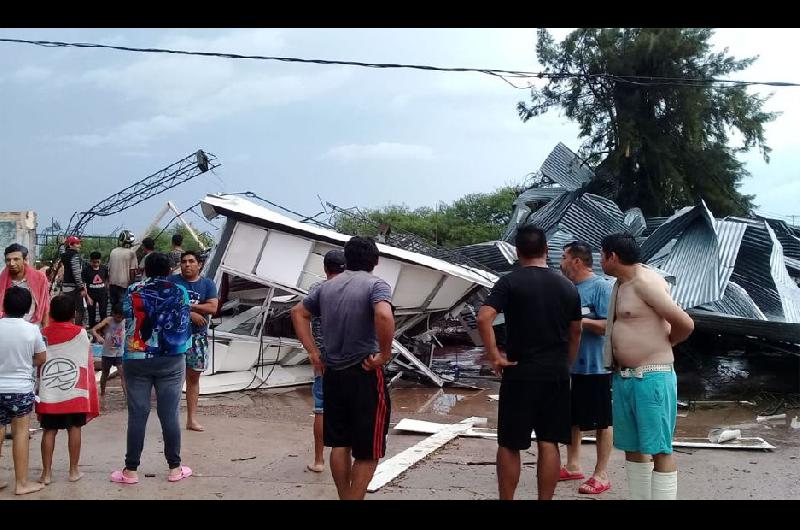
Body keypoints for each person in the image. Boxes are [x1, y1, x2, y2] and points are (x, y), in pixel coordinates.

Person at [477, 224, 582, 500]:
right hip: (555, 373)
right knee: (549, 442)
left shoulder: (509, 282)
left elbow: (484, 317)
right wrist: (566, 363)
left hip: (519, 371)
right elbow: (576, 331)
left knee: (510, 444)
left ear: (517, 252)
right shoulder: (567, 286)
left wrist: (495, 356)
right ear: (547, 250)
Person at [291, 236, 394, 500]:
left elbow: (298, 313)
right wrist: (384, 354)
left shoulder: (327, 287)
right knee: (368, 451)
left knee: (340, 444)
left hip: (333, 373)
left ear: (347, 259)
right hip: (364, 372)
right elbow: (383, 314)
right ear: (376, 261)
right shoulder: (376, 285)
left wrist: (314, 353)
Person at [600, 233, 694, 501]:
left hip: (651, 376)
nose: (600, 260)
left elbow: (685, 323)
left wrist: (664, 345)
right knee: (632, 447)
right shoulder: (622, 284)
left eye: (602, 254)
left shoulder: (645, 283)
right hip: (625, 377)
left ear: (612, 256)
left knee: (659, 449)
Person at [110, 252, 193, 484]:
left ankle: (130, 470)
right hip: (171, 358)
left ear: (145, 269)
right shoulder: (180, 291)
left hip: (137, 357)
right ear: (169, 271)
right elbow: (183, 321)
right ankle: (175, 469)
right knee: (169, 414)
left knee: (138, 413)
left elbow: (125, 313)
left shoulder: (133, 290)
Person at [558, 241, 614, 494]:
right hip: (570, 365)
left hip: (596, 366)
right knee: (571, 418)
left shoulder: (601, 286)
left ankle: (601, 474)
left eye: (563, 257)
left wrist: (580, 323)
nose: (560, 263)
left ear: (577, 261)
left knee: (602, 421)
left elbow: (608, 326)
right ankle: (572, 465)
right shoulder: (568, 289)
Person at [36, 295, 100, 485]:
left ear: (52, 313)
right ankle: (73, 471)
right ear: (73, 314)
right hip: (75, 393)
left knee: (49, 431)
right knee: (74, 428)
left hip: (50, 393)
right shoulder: (81, 334)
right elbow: (86, 364)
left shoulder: (43, 334)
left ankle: (46, 474)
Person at [0, 286, 47, 495]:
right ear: (28, 307)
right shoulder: (32, 330)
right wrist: (26, 363)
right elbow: (41, 358)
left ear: (3, 305)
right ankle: (21, 484)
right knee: (20, 434)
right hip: (20, 390)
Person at [305, 249, 346, 473]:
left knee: (321, 410)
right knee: (347, 410)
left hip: (323, 358)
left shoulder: (317, 290)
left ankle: (319, 460)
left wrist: (313, 351)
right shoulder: (353, 289)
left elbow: (300, 315)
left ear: (325, 268)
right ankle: (344, 457)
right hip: (349, 358)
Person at [169, 251, 218, 432]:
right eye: (184, 262)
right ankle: (171, 419)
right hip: (175, 338)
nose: (187, 265)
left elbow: (213, 307)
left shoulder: (207, 284)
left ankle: (191, 419)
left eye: (191, 261)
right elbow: (166, 305)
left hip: (197, 338)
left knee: (193, 378)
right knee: (173, 379)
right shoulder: (173, 281)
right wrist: (190, 313)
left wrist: (188, 305)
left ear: (199, 265)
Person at [0, 243, 51, 327]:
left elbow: (45, 306)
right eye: (8, 260)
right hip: (8, 327)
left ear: (24, 260)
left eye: (16, 259)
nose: (12, 263)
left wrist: (45, 331)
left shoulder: (39, 278)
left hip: (33, 326)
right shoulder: (1, 280)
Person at [91, 304, 126, 397]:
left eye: (122, 317)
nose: (120, 319)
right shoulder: (108, 320)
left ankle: (127, 398)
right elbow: (93, 329)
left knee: (123, 375)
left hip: (119, 352)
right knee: (105, 374)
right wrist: (98, 336)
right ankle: (102, 393)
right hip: (108, 353)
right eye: (118, 317)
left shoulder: (124, 321)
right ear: (113, 314)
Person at [60, 236, 89, 327]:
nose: (79, 245)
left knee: (68, 308)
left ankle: (68, 327)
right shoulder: (75, 256)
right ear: (70, 245)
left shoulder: (64, 255)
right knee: (79, 309)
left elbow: (61, 251)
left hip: (66, 287)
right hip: (74, 288)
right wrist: (81, 288)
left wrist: (62, 244)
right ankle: (76, 329)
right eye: (77, 243)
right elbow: (76, 274)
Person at [108, 230, 138, 309]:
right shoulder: (131, 253)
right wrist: (132, 284)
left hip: (112, 283)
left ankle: (112, 320)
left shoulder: (113, 251)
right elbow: (132, 271)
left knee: (113, 306)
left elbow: (109, 268)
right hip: (124, 285)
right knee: (122, 307)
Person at [82, 251, 110, 329]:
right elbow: (83, 284)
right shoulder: (86, 270)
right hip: (91, 296)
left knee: (103, 313)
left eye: (98, 262)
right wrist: (87, 297)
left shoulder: (104, 268)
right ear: (90, 261)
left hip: (102, 295)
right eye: (94, 262)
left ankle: (103, 329)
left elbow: (107, 278)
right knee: (91, 314)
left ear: (100, 261)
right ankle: (92, 330)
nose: (96, 264)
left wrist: (106, 288)